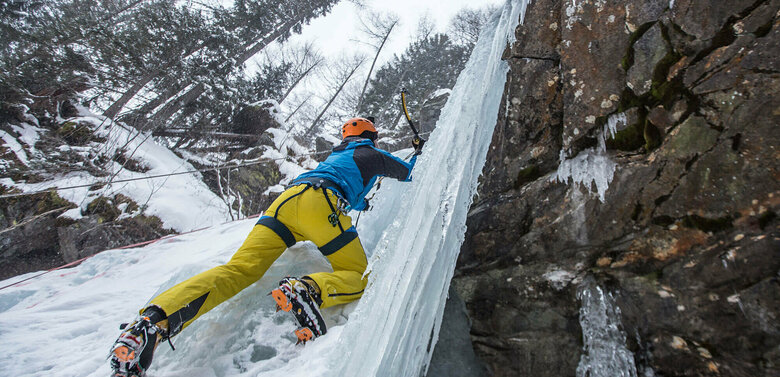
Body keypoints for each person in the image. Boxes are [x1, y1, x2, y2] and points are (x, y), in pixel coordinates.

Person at [109, 117, 424, 377]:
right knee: (359, 273)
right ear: (370, 137)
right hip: (321, 204)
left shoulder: (334, 157)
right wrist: (420, 152)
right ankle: (308, 291)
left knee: (239, 270)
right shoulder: (369, 153)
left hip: (284, 204)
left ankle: (150, 323)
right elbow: (410, 172)